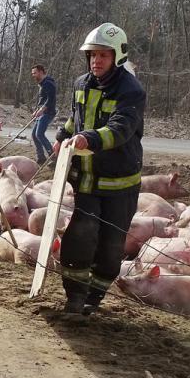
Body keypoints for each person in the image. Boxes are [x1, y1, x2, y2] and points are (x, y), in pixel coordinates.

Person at [53, 22, 146, 318]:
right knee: (81, 235)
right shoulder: (81, 83)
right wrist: (62, 136)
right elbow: (76, 119)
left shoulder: (131, 90)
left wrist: (89, 139)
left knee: (110, 246)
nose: (96, 61)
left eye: (103, 55)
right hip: (87, 181)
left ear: (117, 56)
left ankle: (94, 298)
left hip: (119, 184)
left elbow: (121, 128)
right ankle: (75, 298)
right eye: (92, 55)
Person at [29, 64, 57, 165]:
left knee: (39, 134)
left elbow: (50, 100)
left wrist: (41, 110)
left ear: (41, 72)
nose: (33, 75)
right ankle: (41, 157)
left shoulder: (48, 83)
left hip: (48, 113)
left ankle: (53, 156)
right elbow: (42, 100)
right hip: (42, 112)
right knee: (34, 135)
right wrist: (36, 110)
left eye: (35, 73)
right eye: (32, 73)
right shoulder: (42, 84)